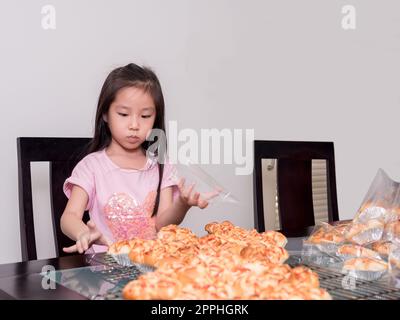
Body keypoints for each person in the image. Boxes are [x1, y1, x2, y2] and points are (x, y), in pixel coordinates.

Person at [60, 63, 209, 254]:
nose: (134, 125)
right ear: (105, 113)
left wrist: (182, 204)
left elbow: (162, 224)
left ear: (156, 118)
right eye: (123, 114)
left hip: (150, 269)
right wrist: (82, 233)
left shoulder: (161, 165)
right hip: (102, 271)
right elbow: (69, 216)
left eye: (145, 116)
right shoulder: (92, 166)